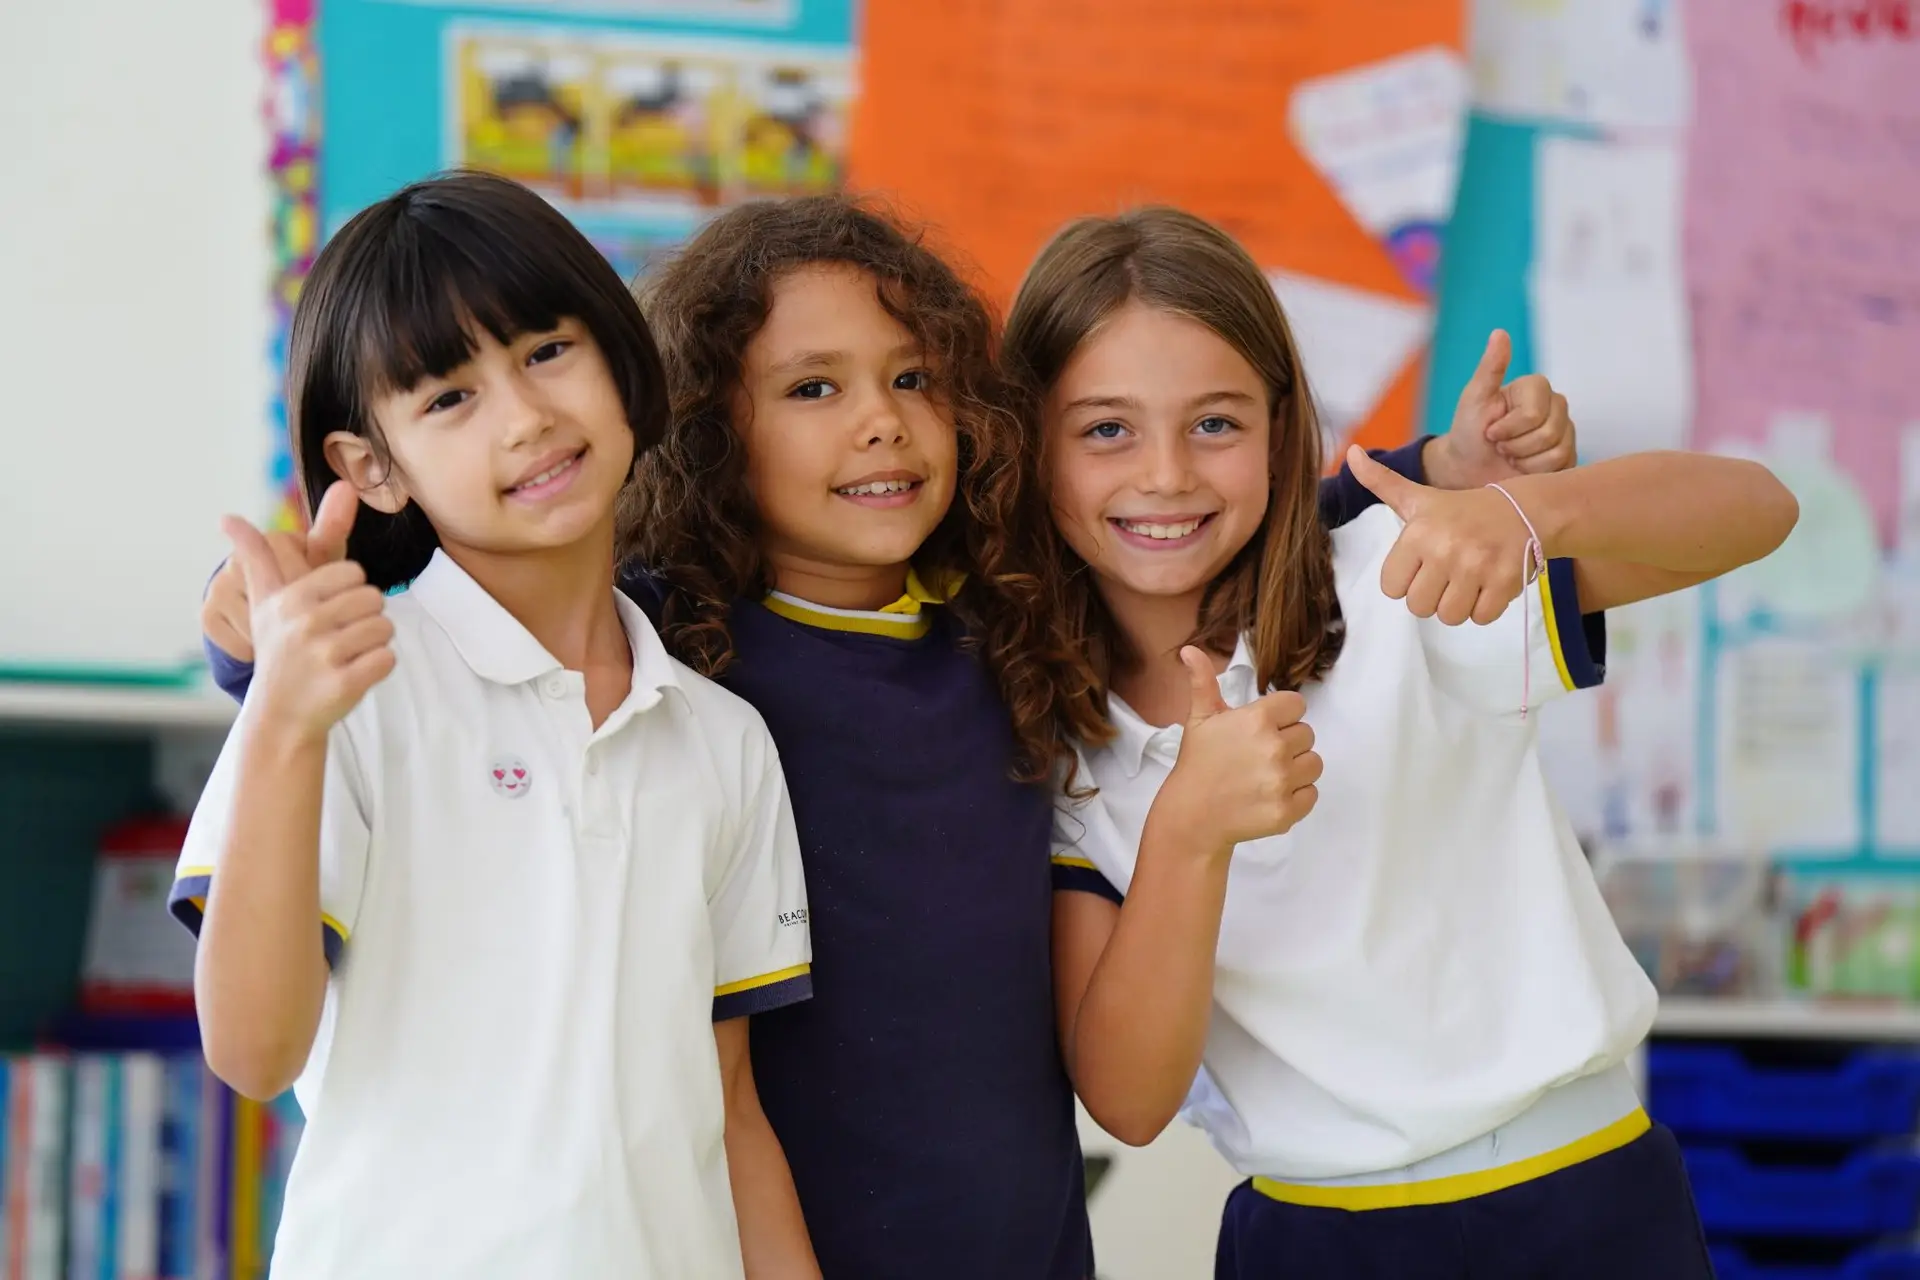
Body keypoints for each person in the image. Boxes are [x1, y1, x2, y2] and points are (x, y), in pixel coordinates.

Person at [196, 193, 1576, 1279]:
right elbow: (452, 620)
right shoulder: (681, 647)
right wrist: (247, 644)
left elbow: (1181, 516)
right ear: (705, 419)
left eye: (916, 378)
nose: (880, 424)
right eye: (811, 389)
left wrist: (1413, 482)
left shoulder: (1008, 639)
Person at [1006, 206, 1799, 1280]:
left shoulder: (1394, 579)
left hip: (1574, 1203)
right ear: (1028, 449)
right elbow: (1130, 1100)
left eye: (1216, 424)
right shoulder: (1054, 731)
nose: (1165, 475)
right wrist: (1189, 833)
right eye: (1105, 429)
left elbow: (1758, 506)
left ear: (1285, 433)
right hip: (1305, 1237)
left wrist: (1530, 512)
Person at [168, 171, 818, 1280]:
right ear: (370, 468)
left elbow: (729, 1107)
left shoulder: (724, 739)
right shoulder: (340, 691)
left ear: (619, 358)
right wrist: (282, 723)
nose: (526, 416)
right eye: (448, 398)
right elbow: (252, 1049)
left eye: (546, 350)